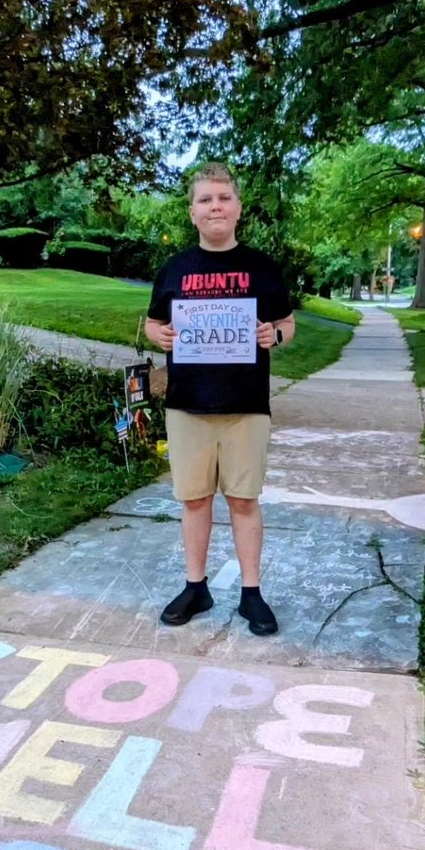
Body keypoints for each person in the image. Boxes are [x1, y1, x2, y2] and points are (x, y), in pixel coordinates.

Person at [144, 162, 294, 636]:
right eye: (206, 200)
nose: (215, 207)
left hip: (246, 404)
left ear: (238, 208)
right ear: (192, 212)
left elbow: (288, 323)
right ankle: (196, 587)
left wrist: (275, 335)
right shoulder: (175, 269)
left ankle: (251, 593)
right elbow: (151, 323)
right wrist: (159, 336)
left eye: (223, 198)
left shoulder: (261, 268)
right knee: (194, 500)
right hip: (188, 403)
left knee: (244, 500)